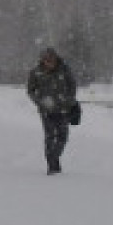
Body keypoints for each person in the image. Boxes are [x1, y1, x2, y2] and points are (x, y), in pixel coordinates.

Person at [26, 47, 78, 175]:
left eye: (51, 59)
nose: (49, 62)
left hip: (63, 109)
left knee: (63, 136)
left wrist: (69, 100)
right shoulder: (36, 72)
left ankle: (54, 159)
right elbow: (30, 91)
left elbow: (72, 86)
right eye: (46, 60)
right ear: (42, 60)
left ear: (55, 58)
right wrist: (40, 101)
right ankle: (52, 165)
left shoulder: (65, 70)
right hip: (46, 110)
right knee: (50, 136)